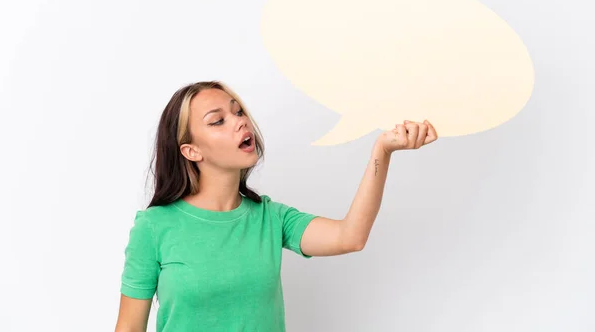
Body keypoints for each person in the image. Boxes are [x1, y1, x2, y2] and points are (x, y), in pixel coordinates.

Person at [114, 80, 438, 332]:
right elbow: (129, 327)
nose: (240, 123)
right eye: (218, 121)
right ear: (191, 151)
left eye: (238, 111)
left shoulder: (270, 218)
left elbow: (350, 236)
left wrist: (382, 151)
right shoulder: (155, 226)